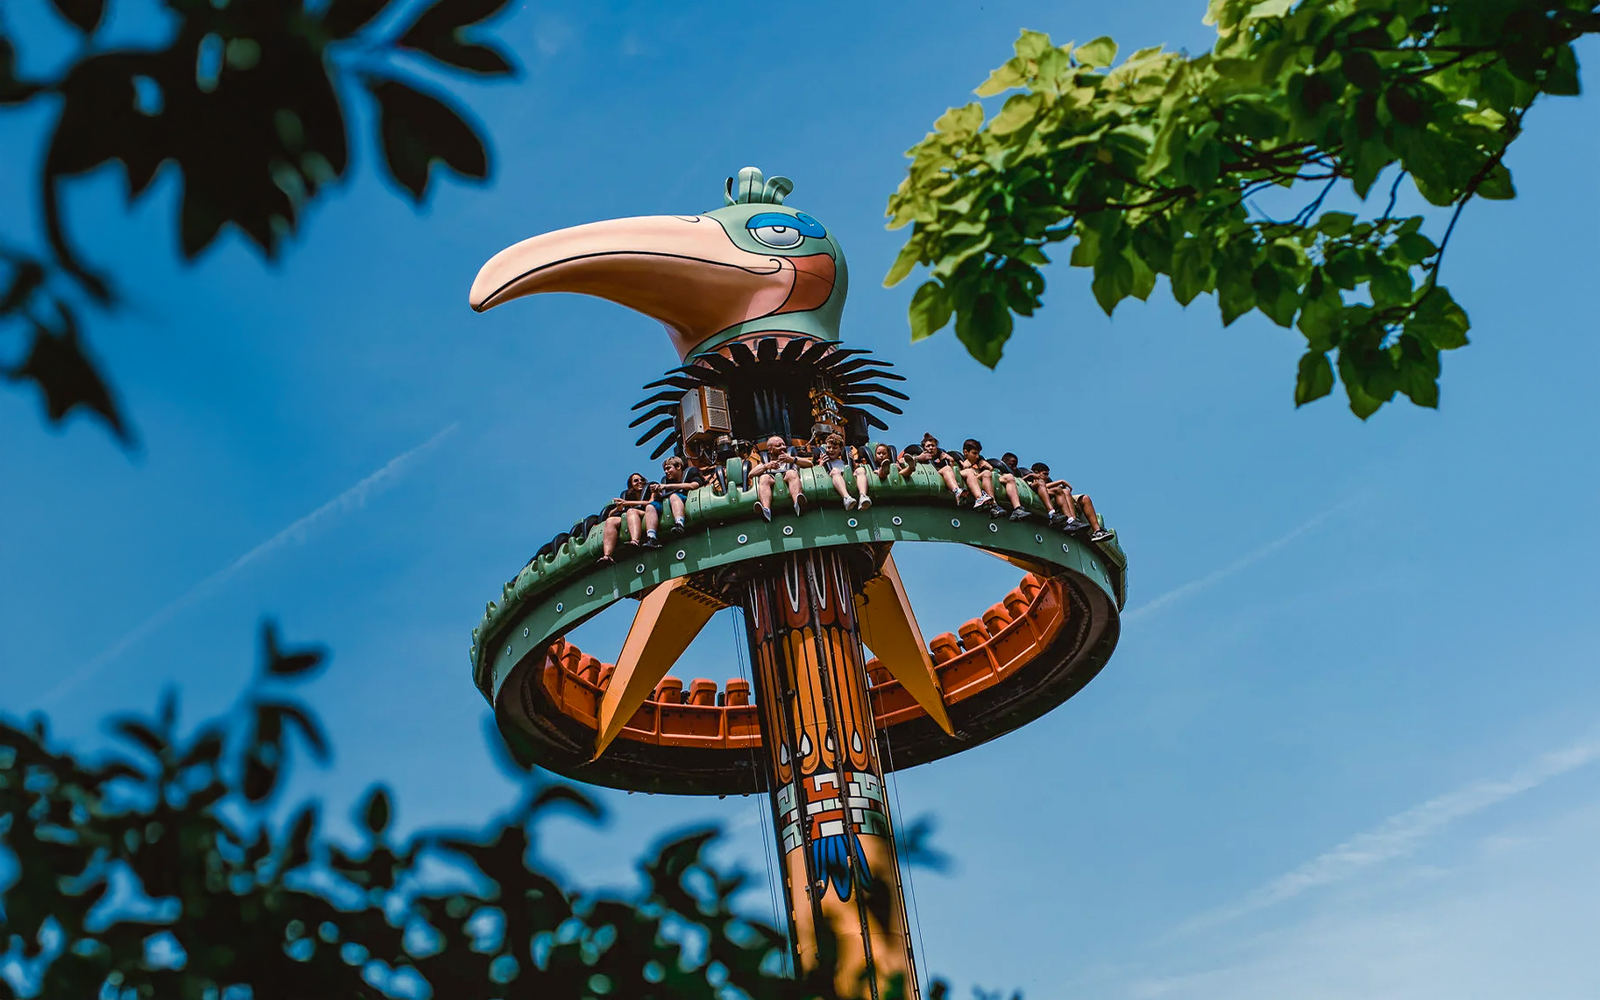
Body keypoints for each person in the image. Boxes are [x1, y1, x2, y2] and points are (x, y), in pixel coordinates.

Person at [598, 472, 660, 564]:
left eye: (641, 480)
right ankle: (607, 555)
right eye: (636, 481)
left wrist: (627, 503)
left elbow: (650, 503)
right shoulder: (628, 496)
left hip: (649, 512)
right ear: (631, 485)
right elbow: (610, 514)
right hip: (632, 515)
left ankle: (635, 541)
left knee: (631, 511)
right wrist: (617, 509)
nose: (640, 482)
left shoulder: (651, 490)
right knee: (610, 521)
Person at [748, 434, 810, 521]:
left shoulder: (791, 457)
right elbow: (751, 474)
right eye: (778, 446)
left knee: (791, 473)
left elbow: (810, 464)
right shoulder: (766, 461)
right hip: (772, 481)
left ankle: (798, 504)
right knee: (764, 478)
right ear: (770, 449)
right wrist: (766, 466)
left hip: (787, 478)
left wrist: (792, 459)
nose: (783, 447)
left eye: (783, 444)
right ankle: (766, 511)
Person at [815, 432, 872, 510]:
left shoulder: (843, 462)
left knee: (861, 470)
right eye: (828, 448)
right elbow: (817, 474)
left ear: (840, 449)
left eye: (834, 448)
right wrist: (821, 464)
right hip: (833, 480)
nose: (831, 450)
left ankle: (863, 496)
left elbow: (853, 471)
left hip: (849, 480)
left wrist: (853, 462)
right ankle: (846, 498)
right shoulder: (825, 463)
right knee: (835, 471)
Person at [654, 455, 706, 534]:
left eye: (668, 468)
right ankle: (651, 536)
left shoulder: (691, 474)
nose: (666, 472)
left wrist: (666, 486)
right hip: (672, 504)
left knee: (674, 496)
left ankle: (679, 523)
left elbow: (694, 485)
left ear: (678, 466)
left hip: (689, 500)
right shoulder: (667, 481)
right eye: (664, 469)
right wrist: (656, 492)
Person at [918, 433, 965, 503]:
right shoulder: (919, 456)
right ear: (924, 448)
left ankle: (958, 492)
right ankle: (956, 491)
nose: (931, 448)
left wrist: (951, 461)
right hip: (929, 476)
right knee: (947, 469)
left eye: (933, 446)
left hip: (941, 474)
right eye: (928, 446)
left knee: (947, 468)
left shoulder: (941, 457)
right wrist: (918, 458)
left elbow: (952, 473)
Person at [957, 438, 1000, 512]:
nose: (977, 456)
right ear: (965, 452)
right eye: (974, 453)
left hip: (976, 478)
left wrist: (990, 468)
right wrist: (966, 467)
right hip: (963, 481)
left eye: (978, 454)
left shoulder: (979, 462)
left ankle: (993, 504)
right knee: (970, 472)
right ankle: (979, 499)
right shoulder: (958, 459)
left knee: (987, 473)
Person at [990, 451, 1032, 521]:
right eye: (1012, 465)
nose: (1014, 468)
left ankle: (1018, 510)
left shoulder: (1016, 475)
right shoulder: (996, 469)